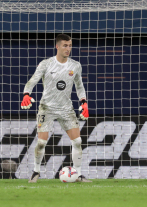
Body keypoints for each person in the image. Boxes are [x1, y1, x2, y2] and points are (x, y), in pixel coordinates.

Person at [21, 34, 91, 183]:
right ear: (57, 46)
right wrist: (26, 94)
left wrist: (83, 102)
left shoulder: (75, 65)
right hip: (47, 107)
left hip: (66, 109)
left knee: (77, 141)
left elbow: (79, 86)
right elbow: (32, 80)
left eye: (70, 45)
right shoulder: (46, 64)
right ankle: (36, 171)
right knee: (41, 143)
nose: (68, 49)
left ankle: (78, 174)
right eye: (65, 45)